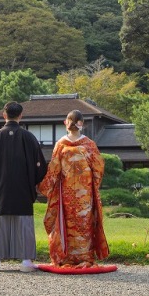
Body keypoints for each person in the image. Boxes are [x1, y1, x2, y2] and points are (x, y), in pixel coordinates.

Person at [0, 101, 48, 272]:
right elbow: (41, 166)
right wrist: (33, 182)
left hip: (0, 189)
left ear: (4, 115)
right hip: (23, 189)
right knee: (24, 224)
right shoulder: (29, 137)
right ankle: (26, 262)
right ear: (21, 116)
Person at [37, 109, 109, 268]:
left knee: (68, 223)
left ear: (66, 123)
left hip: (67, 192)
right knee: (84, 223)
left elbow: (54, 170)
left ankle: (67, 256)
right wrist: (93, 184)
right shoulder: (89, 145)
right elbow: (98, 167)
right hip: (85, 193)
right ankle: (85, 257)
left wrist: (44, 186)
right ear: (81, 124)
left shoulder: (60, 145)